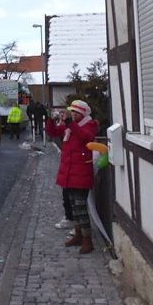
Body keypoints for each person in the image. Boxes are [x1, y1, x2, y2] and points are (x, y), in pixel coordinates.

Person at [44, 99, 100, 254]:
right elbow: (53, 133)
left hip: (80, 173)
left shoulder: (89, 125)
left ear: (81, 113)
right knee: (74, 208)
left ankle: (87, 240)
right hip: (69, 173)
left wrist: (71, 124)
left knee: (81, 208)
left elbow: (85, 137)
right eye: (72, 112)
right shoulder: (69, 127)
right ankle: (78, 235)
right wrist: (50, 120)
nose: (72, 114)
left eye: (74, 112)